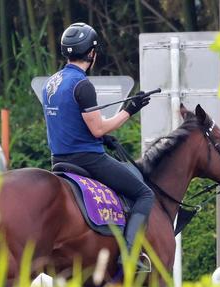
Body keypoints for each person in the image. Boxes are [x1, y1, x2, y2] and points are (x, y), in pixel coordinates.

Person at [41, 22, 154, 272]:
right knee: (145, 194)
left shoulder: (51, 82)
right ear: (91, 53)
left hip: (58, 158)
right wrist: (130, 110)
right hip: (88, 160)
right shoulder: (82, 85)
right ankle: (129, 256)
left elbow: (67, 121)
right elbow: (98, 129)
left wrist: (102, 139)